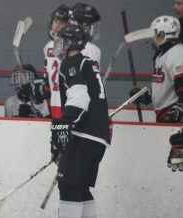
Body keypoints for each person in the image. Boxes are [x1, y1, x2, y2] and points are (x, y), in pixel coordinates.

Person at [50, 24, 110, 218]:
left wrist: (64, 125)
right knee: (81, 189)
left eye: (62, 41)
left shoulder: (72, 62)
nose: (58, 45)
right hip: (97, 138)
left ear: (71, 43)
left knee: (69, 187)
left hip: (83, 135)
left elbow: (80, 97)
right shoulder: (86, 62)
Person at [130, 15, 183, 123]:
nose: (152, 38)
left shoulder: (177, 53)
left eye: (155, 35)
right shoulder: (160, 56)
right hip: (163, 116)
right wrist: (146, 95)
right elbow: (164, 88)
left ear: (164, 35)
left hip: (174, 118)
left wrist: (179, 109)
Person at [43, 4, 71, 118]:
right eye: (55, 21)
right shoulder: (49, 46)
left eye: (61, 23)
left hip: (67, 102)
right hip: (55, 103)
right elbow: (48, 81)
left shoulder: (69, 46)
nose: (56, 26)